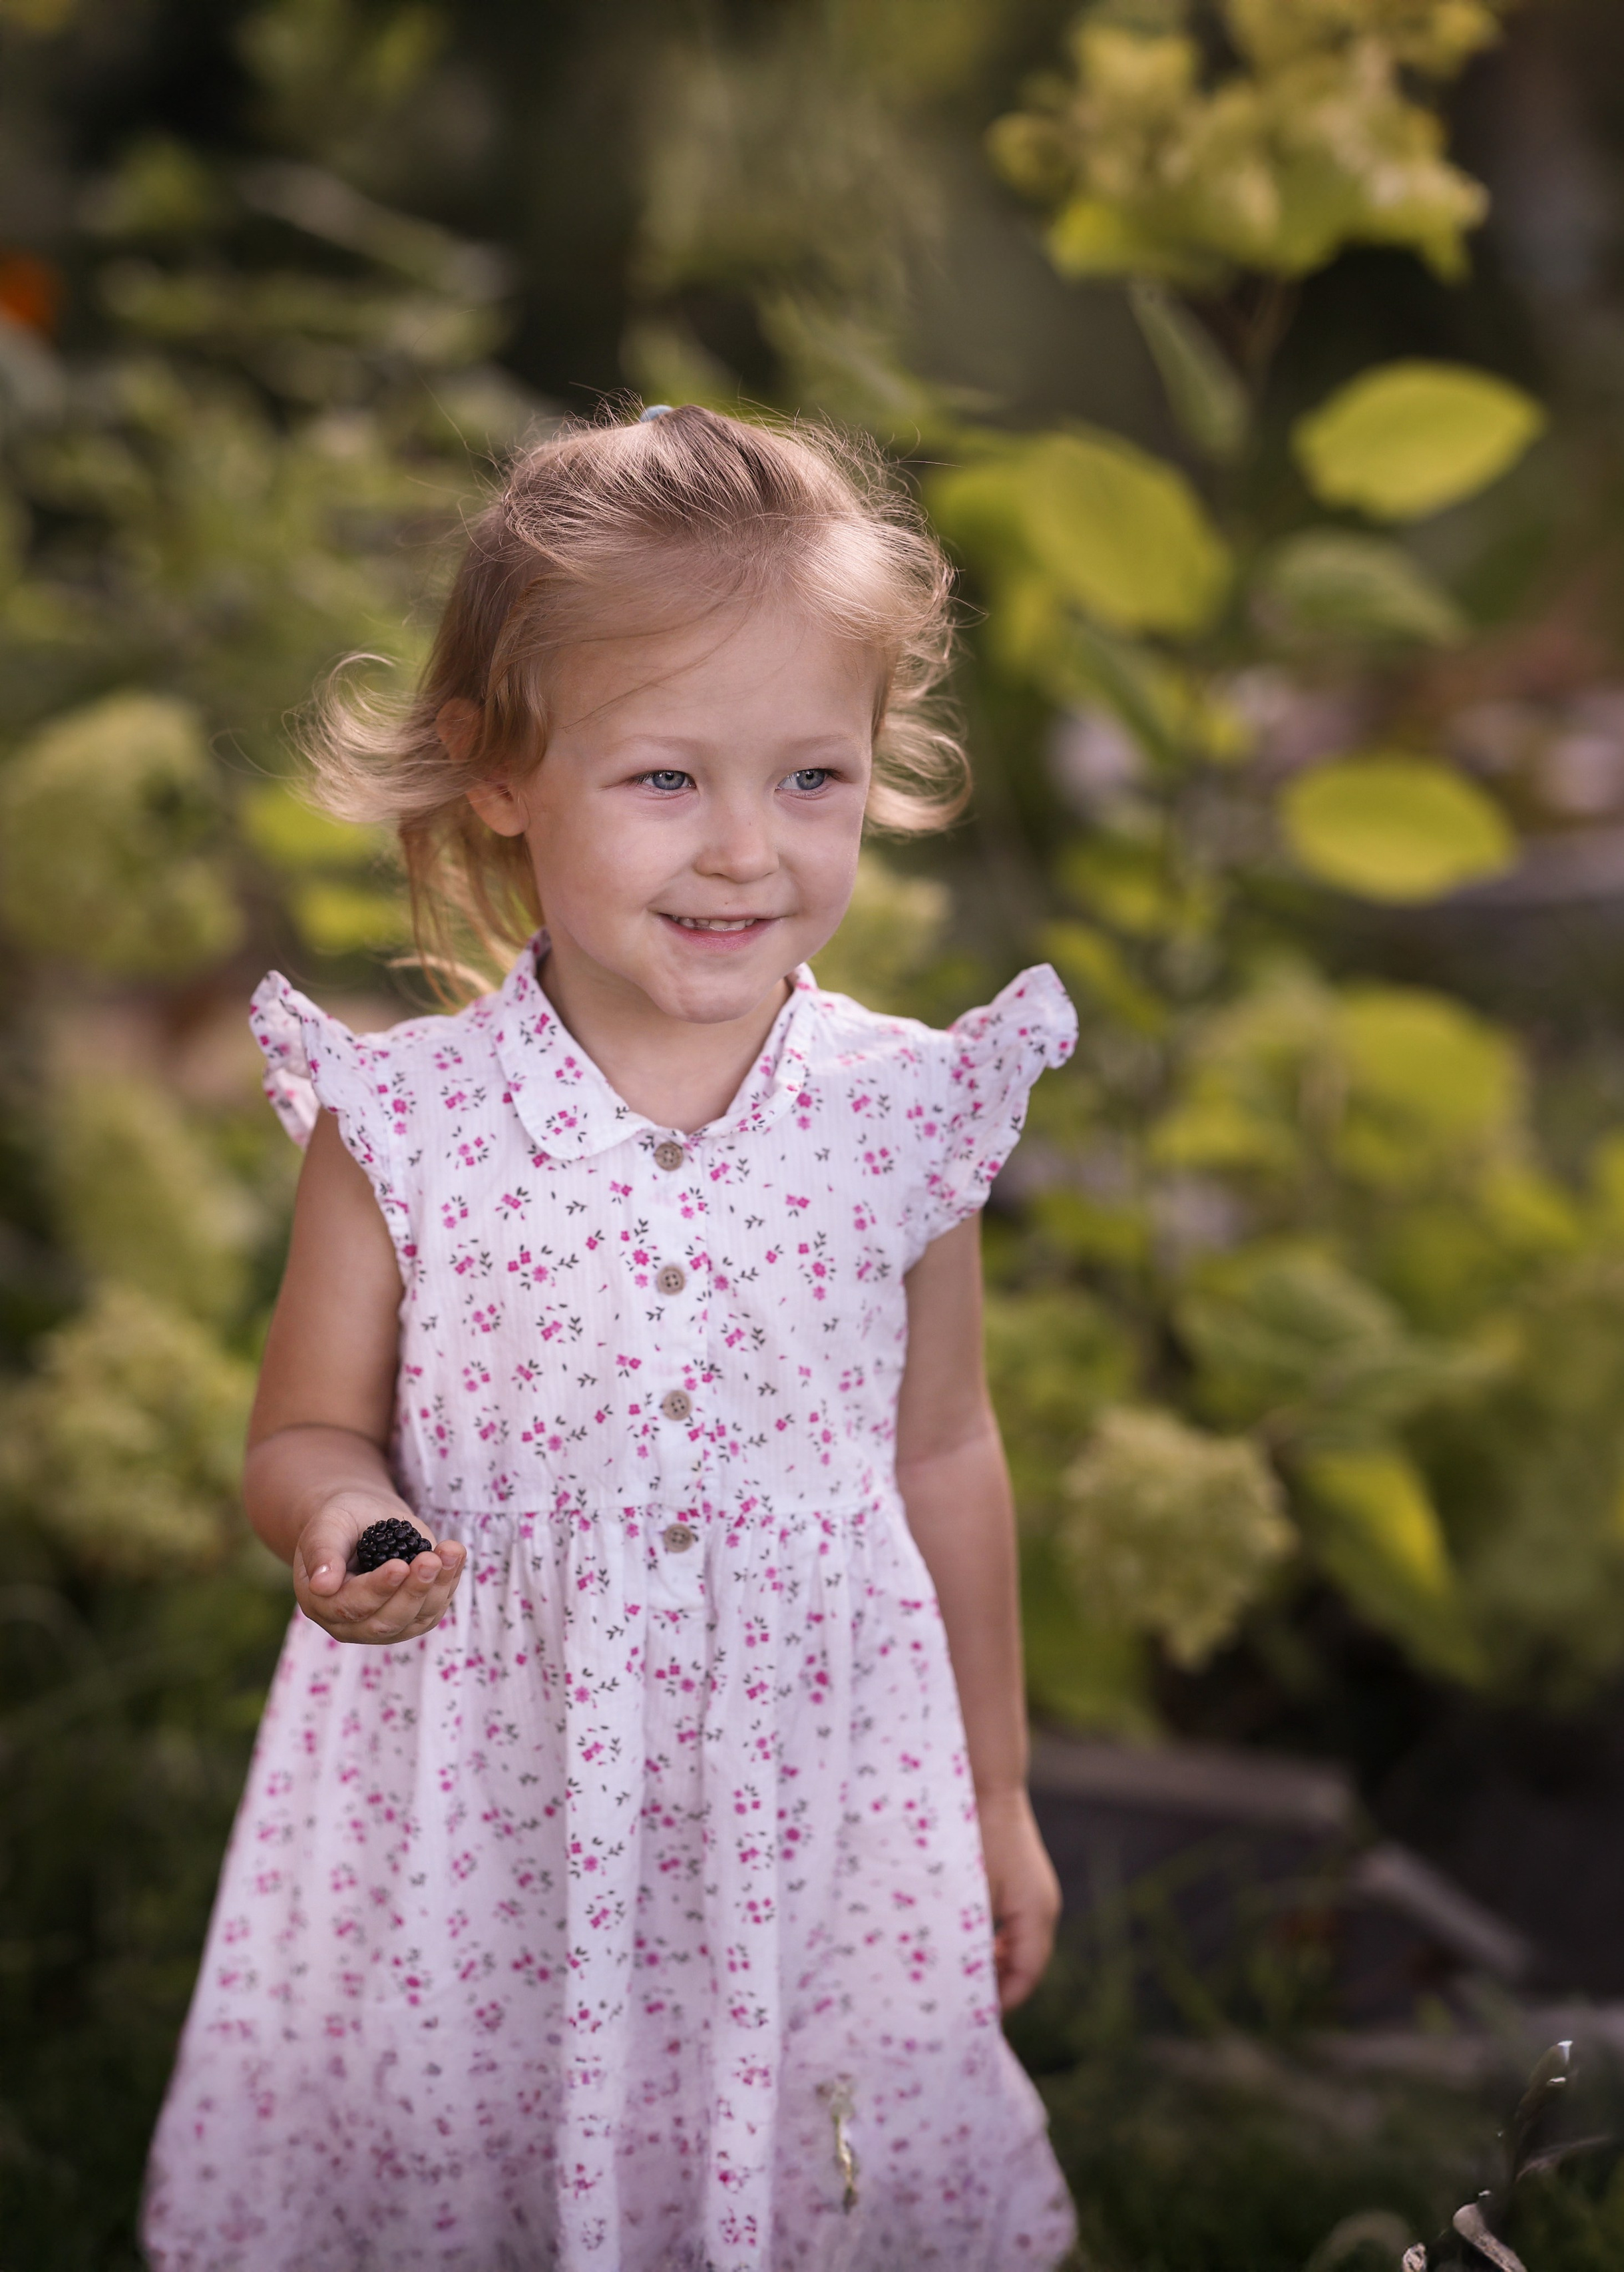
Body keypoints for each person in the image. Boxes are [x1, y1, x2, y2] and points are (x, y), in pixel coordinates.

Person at [143, 403, 1077, 2271]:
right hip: (490, 1794)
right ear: (499, 773)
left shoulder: (903, 1115)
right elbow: (304, 1431)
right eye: (667, 781)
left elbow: (943, 1450)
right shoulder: (401, 1130)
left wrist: (991, 1791)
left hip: (803, 1789)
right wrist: (340, 1525)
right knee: (480, 2157)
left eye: (814, 778)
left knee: (801, 2155)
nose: (748, 852)